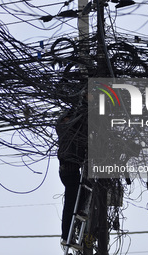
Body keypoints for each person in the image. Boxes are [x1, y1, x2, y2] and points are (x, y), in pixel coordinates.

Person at [56, 97, 88, 245]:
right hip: (68, 169)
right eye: (67, 118)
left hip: (71, 170)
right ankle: (66, 236)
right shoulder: (64, 129)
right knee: (70, 205)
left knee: (87, 186)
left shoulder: (75, 133)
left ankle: (80, 209)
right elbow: (78, 121)